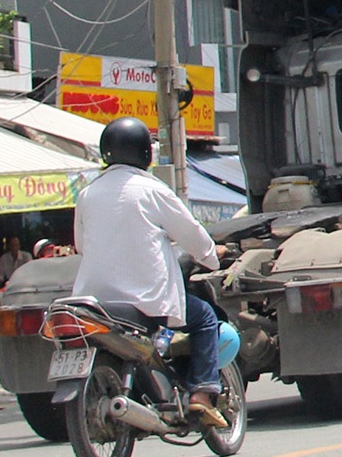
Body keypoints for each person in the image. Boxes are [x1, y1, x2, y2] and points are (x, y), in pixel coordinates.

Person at [70, 117, 226, 428]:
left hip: (95, 302)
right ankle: (201, 395)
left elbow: (80, 245)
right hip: (144, 301)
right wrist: (212, 258)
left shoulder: (88, 193)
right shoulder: (153, 189)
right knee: (206, 317)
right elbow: (192, 234)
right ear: (145, 152)